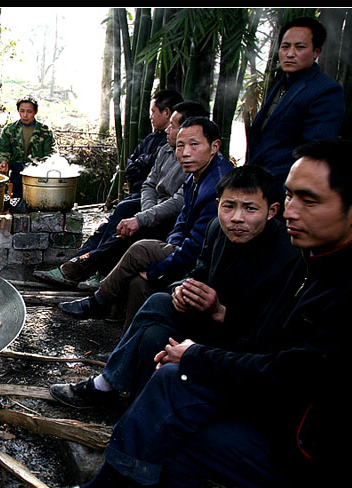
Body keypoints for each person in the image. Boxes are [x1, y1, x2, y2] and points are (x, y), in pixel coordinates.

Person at [25, 139, 352, 488]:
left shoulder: (344, 285)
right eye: (290, 196)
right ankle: (112, 482)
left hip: (313, 447)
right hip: (275, 395)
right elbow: (261, 337)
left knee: (174, 392)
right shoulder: (314, 257)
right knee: (162, 350)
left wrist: (197, 354)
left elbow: (285, 373)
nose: (291, 211)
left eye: (310, 200)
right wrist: (185, 297)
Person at [50, 165, 302, 409]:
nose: (237, 218)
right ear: (218, 206)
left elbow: (271, 334)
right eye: (229, 206)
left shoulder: (288, 255)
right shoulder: (216, 229)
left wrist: (221, 312)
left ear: (272, 211)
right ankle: (131, 404)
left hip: (240, 348)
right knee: (158, 312)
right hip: (206, 323)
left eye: (250, 208)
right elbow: (197, 273)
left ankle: (108, 388)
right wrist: (182, 290)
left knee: (154, 329)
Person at [59, 117, 233, 328]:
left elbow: (197, 247)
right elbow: (182, 218)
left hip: (203, 263)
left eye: (194, 145)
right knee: (138, 283)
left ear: (214, 146)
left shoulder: (219, 184)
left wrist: (155, 270)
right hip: (181, 247)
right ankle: (128, 346)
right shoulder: (195, 174)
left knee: (141, 250)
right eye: (180, 145)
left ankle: (98, 301)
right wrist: (172, 242)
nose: (186, 152)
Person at [33, 100, 208, 289]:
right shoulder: (165, 150)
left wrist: (143, 219)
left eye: (172, 127)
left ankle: (96, 271)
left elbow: (178, 202)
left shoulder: (195, 162)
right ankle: (78, 262)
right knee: (120, 213)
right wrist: (146, 211)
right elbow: (149, 183)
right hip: (153, 206)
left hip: (170, 220)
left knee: (127, 232)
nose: (167, 131)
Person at [247, 16, 344, 196]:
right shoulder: (282, 84)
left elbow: (314, 152)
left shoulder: (326, 90)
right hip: (258, 185)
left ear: (316, 52)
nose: (290, 54)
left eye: (300, 47)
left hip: (285, 189)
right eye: (285, 47)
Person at [121, 90, 183, 200]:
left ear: (166, 112)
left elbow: (154, 169)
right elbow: (130, 167)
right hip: (141, 194)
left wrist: (141, 161)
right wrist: (143, 162)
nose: (151, 117)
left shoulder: (174, 143)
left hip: (156, 199)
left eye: (153, 112)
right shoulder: (151, 138)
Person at [0, 95, 56, 207]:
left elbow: (51, 154)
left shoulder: (45, 131)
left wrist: (41, 166)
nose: (25, 115)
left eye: (29, 111)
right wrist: (3, 161)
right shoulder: (10, 130)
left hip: (37, 172)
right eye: (22, 111)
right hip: (15, 170)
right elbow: (2, 150)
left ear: (35, 112)